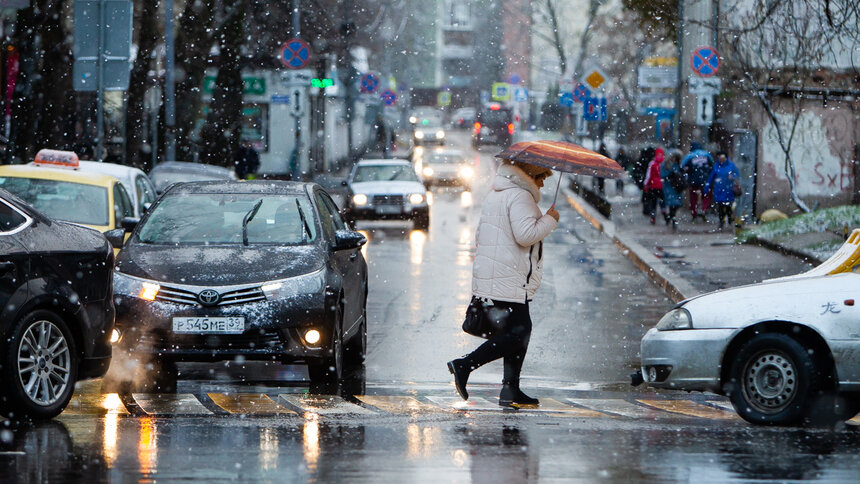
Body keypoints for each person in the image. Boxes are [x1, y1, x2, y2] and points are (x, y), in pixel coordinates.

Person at [447, 159, 559, 407]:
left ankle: (510, 390)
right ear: (530, 174)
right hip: (509, 277)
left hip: (497, 274)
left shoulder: (497, 195)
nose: (542, 183)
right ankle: (465, 365)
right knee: (519, 334)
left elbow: (481, 235)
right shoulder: (520, 197)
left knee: (517, 332)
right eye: (541, 177)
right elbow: (526, 235)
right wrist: (550, 220)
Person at [704, 151, 740, 231]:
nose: (721, 160)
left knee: (728, 208)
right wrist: (706, 188)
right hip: (719, 190)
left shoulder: (731, 166)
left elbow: (737, 174)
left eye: (723, 158)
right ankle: (721, 222)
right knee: (720, 207)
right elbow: (711, 178)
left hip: (728, 190)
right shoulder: (716, 167)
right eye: (720, 158)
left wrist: (732, 177)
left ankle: (730, 221)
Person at [680, 142, 714, 222]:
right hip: (705, 180)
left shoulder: (689, 156)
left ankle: (694, 213)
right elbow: (712, 166)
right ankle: (704, 209)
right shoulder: (707, 155)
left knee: (693, 198)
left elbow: (683, 167)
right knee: (706, 196)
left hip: (693, 181)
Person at [660, 149, 685, 231]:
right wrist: (670, 174)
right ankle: (673, 219)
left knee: (677, 204)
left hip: (677, 187)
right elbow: (662, 174)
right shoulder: (666, 165)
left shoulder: (678, 165)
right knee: (672, 204)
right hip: (669, 187)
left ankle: (669, 217)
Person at [642, 147, 666, 225]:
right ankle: (664, 211)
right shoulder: (664, 163)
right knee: (662, 200)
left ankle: (653, 216)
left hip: (653, 186)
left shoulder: (652, 163)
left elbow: (648, 175)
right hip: (662, 185)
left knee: (653, 202)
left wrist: (646, 184)